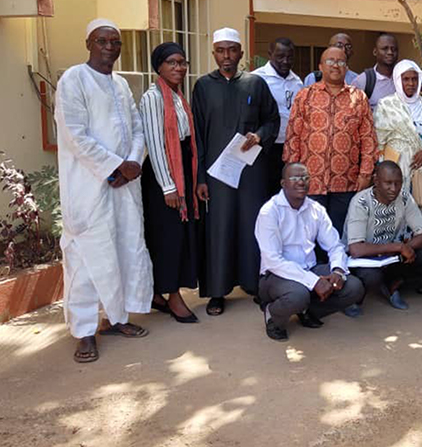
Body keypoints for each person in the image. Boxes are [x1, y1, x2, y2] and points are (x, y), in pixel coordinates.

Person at [54, 19, 153, 363]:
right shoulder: (73, 80)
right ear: (88, 44)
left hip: (124, 185)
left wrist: (132, 162)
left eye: (115, 41)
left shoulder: (122, 85)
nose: (110, 46)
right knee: (86, 257)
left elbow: (137, 126)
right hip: (89, 186)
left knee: (124, 251)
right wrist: (114, 167)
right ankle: (84, 332)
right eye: (102, 41)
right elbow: (75, 134)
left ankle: (116, 318)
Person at [192, 27, 280, 316]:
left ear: (241, 52)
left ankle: (254, 283)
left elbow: (272, 120)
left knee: (252, 226)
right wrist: (201, 178)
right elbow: (198, 137)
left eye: (232, 50)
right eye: (221, 50)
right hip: (217, 176)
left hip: (252, 171)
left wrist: (259, 135)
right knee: (220, 228)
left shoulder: (256, 84)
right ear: (214, 53)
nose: (226, 56)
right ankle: (218, 291)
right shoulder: (203, 87)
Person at [255, 163, 364, 341]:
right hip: (275, 276)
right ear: (283, 183)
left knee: (353, 287)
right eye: (295, 178)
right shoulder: (270, 212)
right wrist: (314, 282)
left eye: (305, 178)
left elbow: (335, 246)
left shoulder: (316, 209)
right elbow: (273, 260)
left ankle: (307, 310)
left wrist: (337, 270)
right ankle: (273, 315)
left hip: (309, 268)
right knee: (298, 295)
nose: (301, 182)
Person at [285, 46, 377, 238]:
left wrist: (366, 174)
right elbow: (293, 136)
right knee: (308, 236)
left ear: (346, 67)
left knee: (339, 235)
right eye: (330, 61)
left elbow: (369, 139)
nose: (336, 65)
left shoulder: (358, 97)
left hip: (346, 182)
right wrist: (292, 175)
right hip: (310, 181)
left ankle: (337, 268)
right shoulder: (305, 96)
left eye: (341, 62)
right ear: (320, 66)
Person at [140, 42, 201, 324]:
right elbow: (155, 143)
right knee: (169, 237)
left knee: (180, 234)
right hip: (164, 176)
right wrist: (168, 186)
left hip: (182, 171)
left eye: (182, 62)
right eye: (172, 63)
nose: (179, 68)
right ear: (159, 67)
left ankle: (157, 294)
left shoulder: (177, 96)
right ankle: (172, 295)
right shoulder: (153, 97)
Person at [344, 161, 422, 313]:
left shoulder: (404, 197)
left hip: (390, 256)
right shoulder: (361, 202)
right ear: (376, 181)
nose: (394, 189)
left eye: (398, 183)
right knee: (372, 276)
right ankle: (355, 297)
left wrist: (407, 248)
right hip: (362, 259)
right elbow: (356, 249)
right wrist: (398, 247)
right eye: (388, 183)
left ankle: (393, 283)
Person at [374, 59, 422, 228]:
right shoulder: (387, 104)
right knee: (398, 212)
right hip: (399, 166)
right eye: (406, 79)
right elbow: (379, 141)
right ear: (397, 80)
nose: (410, 83)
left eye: (414, 79)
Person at [252, 37, 304, 194]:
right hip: (265, 147)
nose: (285, 61)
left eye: (289, 57)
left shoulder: (297, 82)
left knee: (286, 192)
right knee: (264, 191)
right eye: (280, 56)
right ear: (270, 54)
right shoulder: (257, 79)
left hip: (289, 147)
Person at [353, 33, 399, 110]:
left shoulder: (403, 78)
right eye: (385, 49)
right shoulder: (363, 81)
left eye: (394, 49)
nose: (390, 52)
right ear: (375, 52)